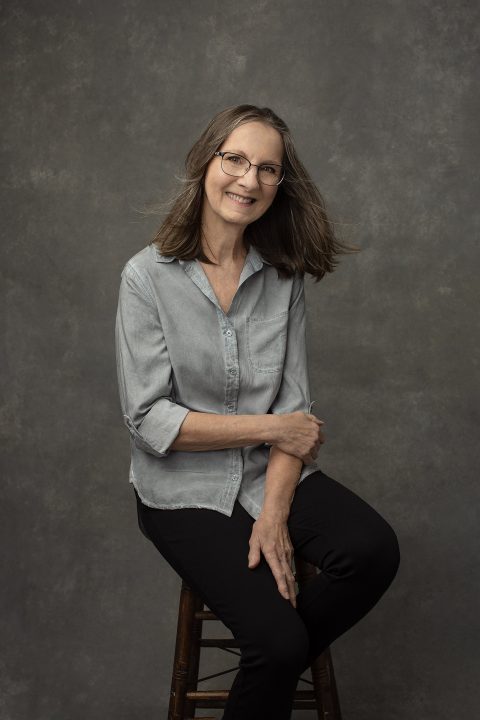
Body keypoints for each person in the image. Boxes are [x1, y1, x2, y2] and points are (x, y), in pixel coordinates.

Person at [114, 104, 400, 720]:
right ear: (206, 164)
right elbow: (150, 421)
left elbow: (297, 409)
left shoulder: (283, 278)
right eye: (236, 160)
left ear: (279, 186)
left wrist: (273, 515)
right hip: (179, 492)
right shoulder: (146, 277)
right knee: (276, 641)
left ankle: (274, 652)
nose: (249, 180)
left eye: (267, 169)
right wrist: (271, 427)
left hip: (266, 475)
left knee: (372, 551)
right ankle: (275, 647)